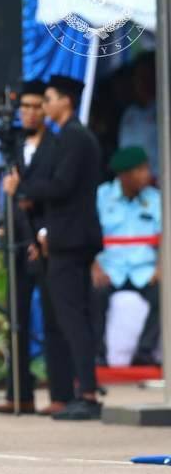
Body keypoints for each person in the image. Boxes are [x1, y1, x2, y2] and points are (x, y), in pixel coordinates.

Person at [3, 74, 104, 421]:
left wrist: (23, 187)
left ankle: (87, 393)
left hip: (71, 240)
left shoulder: (75, 138)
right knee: (70, 317)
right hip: (64, 237)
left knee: (72, 319)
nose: (43, 107)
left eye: (48, 99)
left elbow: (62, 187)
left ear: (65, 101)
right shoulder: (72, 137)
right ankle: (84, 390)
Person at [0, 81, 72, 416]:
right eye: (25, 107)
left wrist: (43, 234)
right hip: (17, 243)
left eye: (37, 106)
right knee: (17, 319)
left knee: (54, 320)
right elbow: (10, 195)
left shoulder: (57, 144)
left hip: (46, 242)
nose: (29, 112)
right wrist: (3, 226)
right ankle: (19, 393)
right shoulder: (15, 146)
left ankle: (61, 393)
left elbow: (58, 194)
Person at [92, 146, 161, 367]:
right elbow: (86, 234)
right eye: (140, 170)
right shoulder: (102, 197)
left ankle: (145, 351)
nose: (146, 175)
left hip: (145, 270)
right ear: (124, 175)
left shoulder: (156, 199)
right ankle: (97, 353)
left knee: (164, 295)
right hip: (110, 269)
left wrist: (162, 267)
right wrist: (94, 266)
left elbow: (166, 237)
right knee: (93, 292)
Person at [117, 52, 157, 178]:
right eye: (139, 77)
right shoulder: (130, 114)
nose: (143, 83)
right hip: (131, 184)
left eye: (147, 78)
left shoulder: (163, 112)